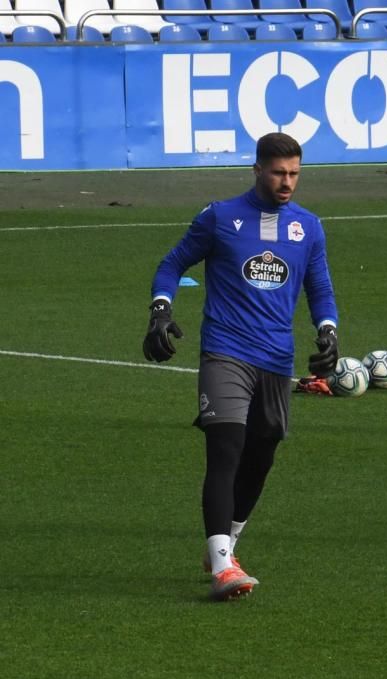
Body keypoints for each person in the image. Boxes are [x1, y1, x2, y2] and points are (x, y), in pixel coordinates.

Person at [142, 133, 340, 600]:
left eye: (294, 173)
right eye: (278, 173)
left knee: (262, 455)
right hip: (225, 352)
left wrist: (328, 330)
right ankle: (222, 567)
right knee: (226, 450)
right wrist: (161, 309)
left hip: (277, 359)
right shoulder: (220, 217)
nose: (287, 182)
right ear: (257, 169)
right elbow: (171, 264)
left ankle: (224, 546)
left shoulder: (308, 227)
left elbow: (321, 289)